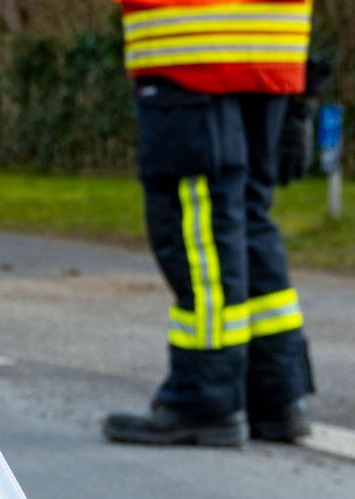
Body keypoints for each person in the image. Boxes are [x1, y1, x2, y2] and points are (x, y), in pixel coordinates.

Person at [102, 0, 315, 447]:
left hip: (192, 49)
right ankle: (275, 394)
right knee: (248, 216)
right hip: (273, 46)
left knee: (200, 223)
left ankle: (204, 397)